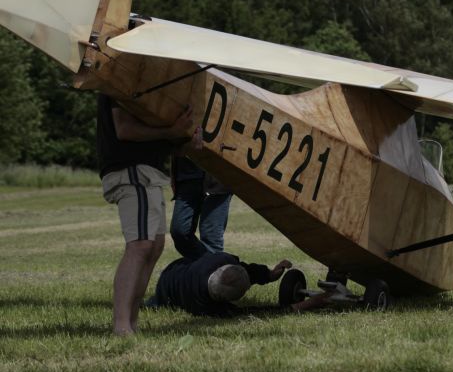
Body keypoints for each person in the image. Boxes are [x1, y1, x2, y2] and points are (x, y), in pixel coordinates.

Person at [97, 93, 197, 336]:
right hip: (132, 169)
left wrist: (185, 141)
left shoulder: (148, 85)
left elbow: (165, 142)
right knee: (141, 245)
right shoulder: (122, 78)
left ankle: (131, 322)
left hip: (148, 172)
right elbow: (125, 129)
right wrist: (171, 130)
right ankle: (121, 325)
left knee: (154, 247)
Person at [152, 252, 328, 316]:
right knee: (150, 305)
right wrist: (308, 304)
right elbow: (252, 312)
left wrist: (269, 274)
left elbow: (244, 270)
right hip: (165, 291)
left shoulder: (223, 259)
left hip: (178, 266)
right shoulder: (205, 307)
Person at [170, 156, 233, 260]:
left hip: (218, 176)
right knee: (179, 232)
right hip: (186, 175)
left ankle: (208, 270)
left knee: (211, 238)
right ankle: (208, 265)